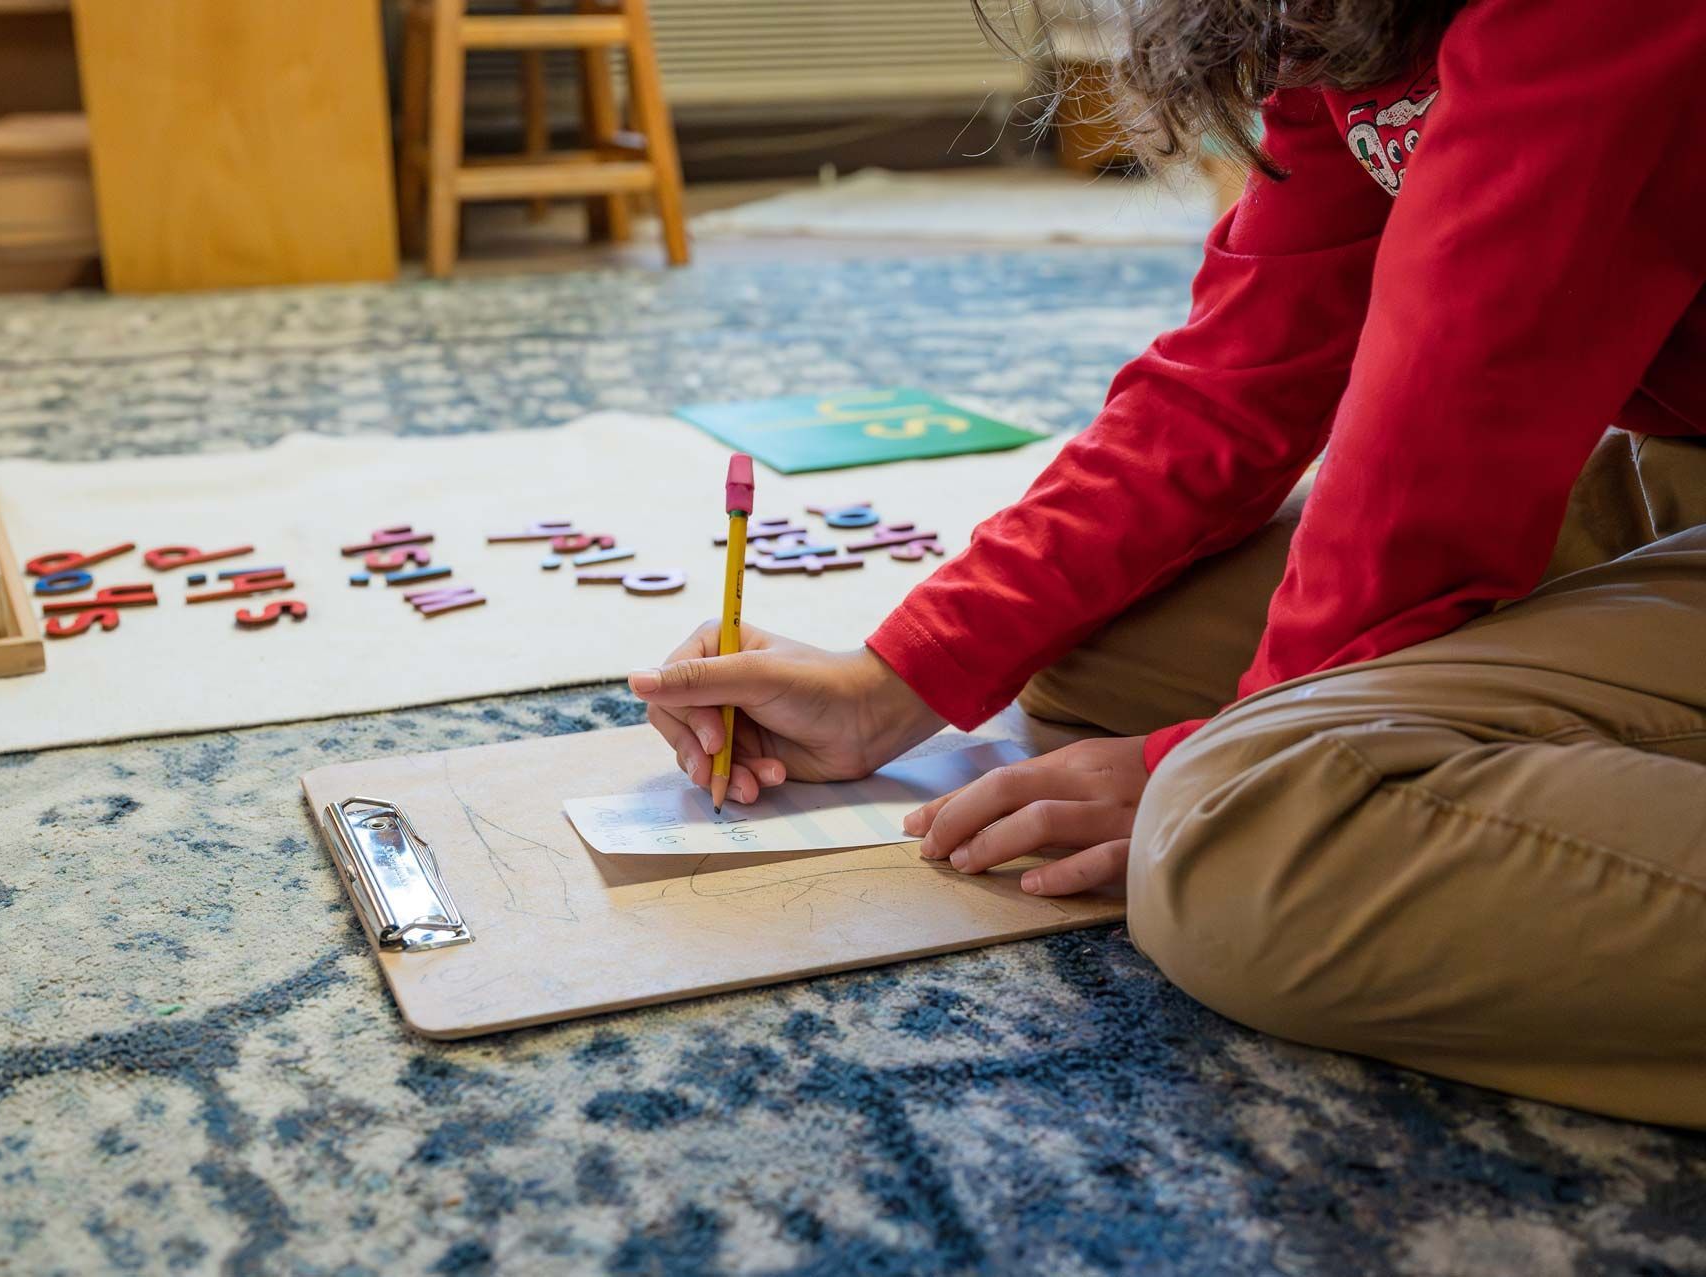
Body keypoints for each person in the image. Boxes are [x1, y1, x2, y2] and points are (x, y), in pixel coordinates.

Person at [630, 0, 1706, 1129]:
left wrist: (1226, 758)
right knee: (1099, 670)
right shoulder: (1348, 21)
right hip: (1676, 463)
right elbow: (1236, 376)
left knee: (1251, 848)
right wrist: (894, 675)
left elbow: (1453, 419)